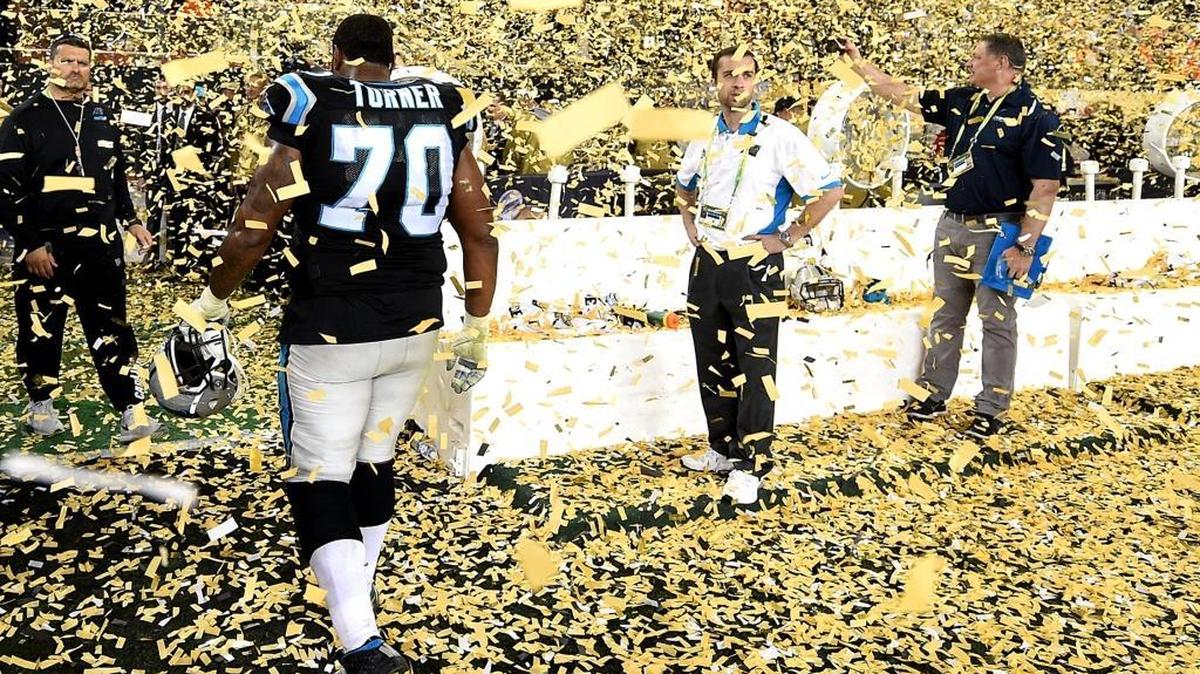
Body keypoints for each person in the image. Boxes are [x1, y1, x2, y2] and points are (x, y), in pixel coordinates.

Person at [185, 14, 497, 673]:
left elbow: (252, 229)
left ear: (336, 56)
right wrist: (477, 324)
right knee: (375, 457)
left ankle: (360, 640)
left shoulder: (309, 98)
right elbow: (480, 232)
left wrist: (211, 301)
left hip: (332, 324)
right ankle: (356, 587)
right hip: (417, 319)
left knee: (320, 471)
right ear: (395, 58)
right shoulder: (442, 103)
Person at [843, 33, 1065, 439]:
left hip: (1000, 230)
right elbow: (902, 94)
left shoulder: (1035, 115)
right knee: (945, 313)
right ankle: (933, 392)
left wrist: (1025, 245)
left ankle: (992, 408)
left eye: (976, 56)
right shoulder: (965, 100)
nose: (969, 62)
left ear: (1001, 64)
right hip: (953, 223)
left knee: (997, 321)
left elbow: (1045, 186)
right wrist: (859, 63)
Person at [675, 47, 844, 504]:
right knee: (711, 357)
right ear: (715, 81)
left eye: (747, 75)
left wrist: (788, 237)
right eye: (729, 75)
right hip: (708, 259)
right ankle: (722, 448)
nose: (738, 83)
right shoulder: (702, 133)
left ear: (757, 82)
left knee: (755, 364)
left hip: (755, 261)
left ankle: (752, 463)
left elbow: (830, 190)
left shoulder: (781, 136)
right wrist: (689, 221)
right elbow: (685, 185)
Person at [0, 33, 159, 442]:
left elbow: (115, 176)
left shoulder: (101, 117)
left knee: (112, 327)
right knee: (41, 328)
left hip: (101, 250)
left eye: (83, 63)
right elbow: (6, 188)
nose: (76, 69)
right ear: (50, 64)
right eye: (68, 61)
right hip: (46, 250)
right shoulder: (24, 118)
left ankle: (130, 409)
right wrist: (30, 243)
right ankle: (41, 404)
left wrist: (132, 220)